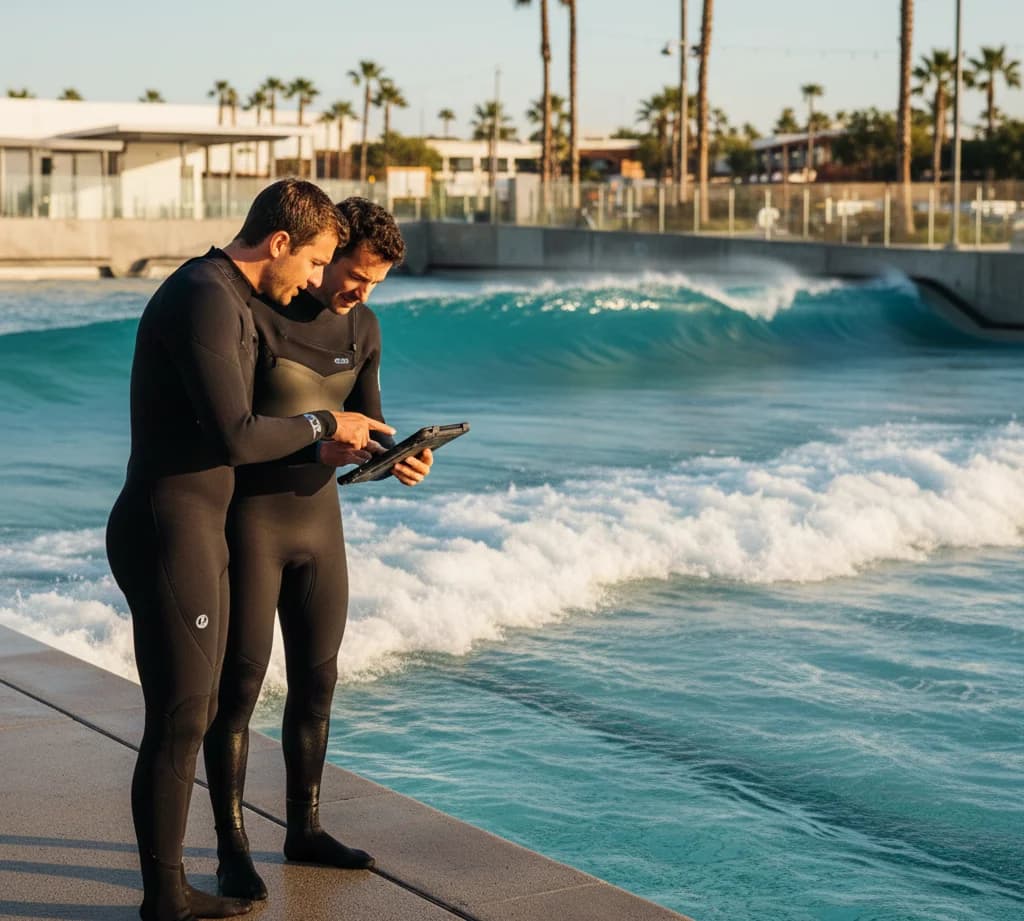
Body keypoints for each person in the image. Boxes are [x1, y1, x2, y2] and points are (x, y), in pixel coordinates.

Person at [106, 180, 395, 921]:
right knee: (183, 714)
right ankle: (168, 893)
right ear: (279, 243)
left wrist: (339, 434)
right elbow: (235, 434)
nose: (316, 279)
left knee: (190, 709)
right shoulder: (206, 294)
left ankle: (169, 889)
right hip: (170, 526)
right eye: (318, 261)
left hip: (194, 524)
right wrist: (325, 419)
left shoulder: (223, 294)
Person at [203, 198, 432, 901]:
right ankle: (231, 845)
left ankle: (303, 826)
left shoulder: (363, 325)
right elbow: (238, 430)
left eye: (376, 284)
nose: (361, 293)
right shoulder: (258, 310)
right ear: (325, 250)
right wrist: (317, 435)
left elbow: (365, 417)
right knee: (239, 686)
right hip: (252, 520)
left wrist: (400, 455)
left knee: (318, 678)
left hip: (318, 521)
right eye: (356, 275)